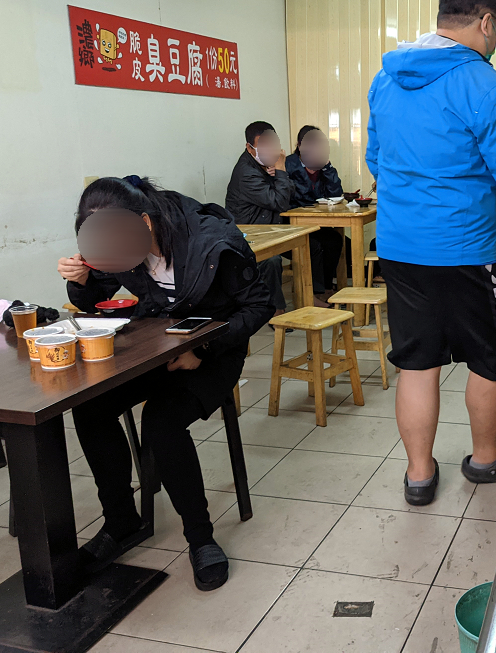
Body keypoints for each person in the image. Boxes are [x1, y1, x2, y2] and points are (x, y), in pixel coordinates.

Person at [365, 0, 496, 505]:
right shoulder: (489, 87)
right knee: (492, 357)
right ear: (486, 21)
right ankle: (486, 459)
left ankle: (419, 476)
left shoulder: (385, 80)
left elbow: (376, 161)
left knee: (417, 362)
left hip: (399, 250)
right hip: (470, 253)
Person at [57, 176, 274, 591]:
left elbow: (260, 305)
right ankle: (120, 521)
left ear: (144, 222)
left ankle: (200, 538)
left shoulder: (214, 242)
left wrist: (203, 351)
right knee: (89, 405)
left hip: (215, 351)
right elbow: (95, 298)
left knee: (161, 421)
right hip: (158, 346)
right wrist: (79, 281)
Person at [225, 121, 293, 315]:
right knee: (271, 260)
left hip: (269, 229)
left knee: (314, 244)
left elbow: (290, 192)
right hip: (248, 235)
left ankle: (313, 296)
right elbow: (280, 202)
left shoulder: (264, 164)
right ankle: (275, 311)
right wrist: (280, 171)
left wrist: (278, 174)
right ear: (250, 147)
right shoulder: (246, 172)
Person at [285, 125, 346, 305]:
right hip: (291, 224)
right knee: (315, 245)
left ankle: (327, 287)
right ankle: (315, 293)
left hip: (315, 223)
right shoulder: (289, 165)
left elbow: (336, 193)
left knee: (335, 240)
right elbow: (296, 196)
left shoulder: (322, 166)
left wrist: (327, 168)